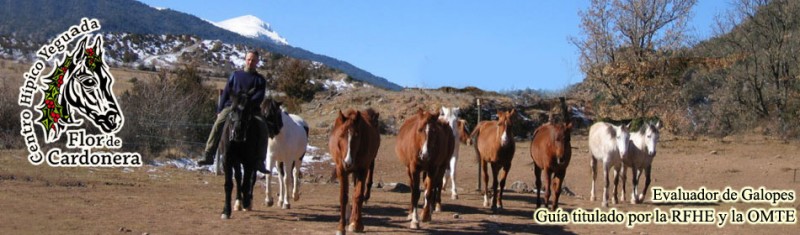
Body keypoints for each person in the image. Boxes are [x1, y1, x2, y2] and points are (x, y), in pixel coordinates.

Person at [197, 50, 269, 173]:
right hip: (232, 106)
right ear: (245, 59)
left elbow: (259, 96)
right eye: (249, 59)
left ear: (257, 62)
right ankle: (208, 154)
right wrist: (220, 110)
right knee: (218, 124)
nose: (251, 62)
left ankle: (260, 160)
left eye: (253, 60)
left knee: (263, 128)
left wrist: (246, 103)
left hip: (251, 109)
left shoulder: (260, 79)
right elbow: (226, 92)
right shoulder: (235, 75)